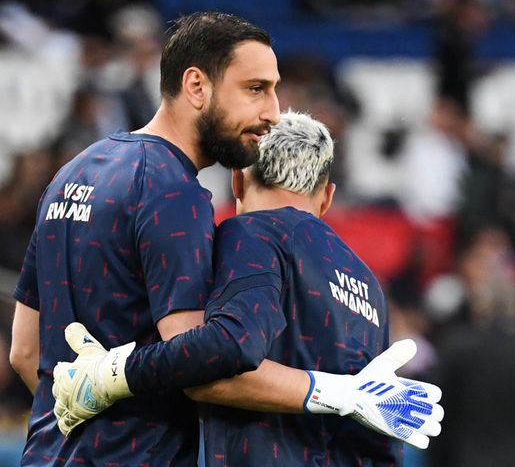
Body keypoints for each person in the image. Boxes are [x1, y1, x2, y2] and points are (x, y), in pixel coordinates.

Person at [51, 111, 444, 466]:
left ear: (237, 180)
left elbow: (219, 366)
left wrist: (111, 376)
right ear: (327, 197)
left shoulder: (251, 234)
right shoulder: (368, 283)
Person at [9, 11, 282, 466]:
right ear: (196, 86)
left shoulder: (72, 172)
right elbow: (199, 368)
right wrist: (329, 392)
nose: (273, 111)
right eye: (256, 89)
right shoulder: (173, 190)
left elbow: (24, 351)